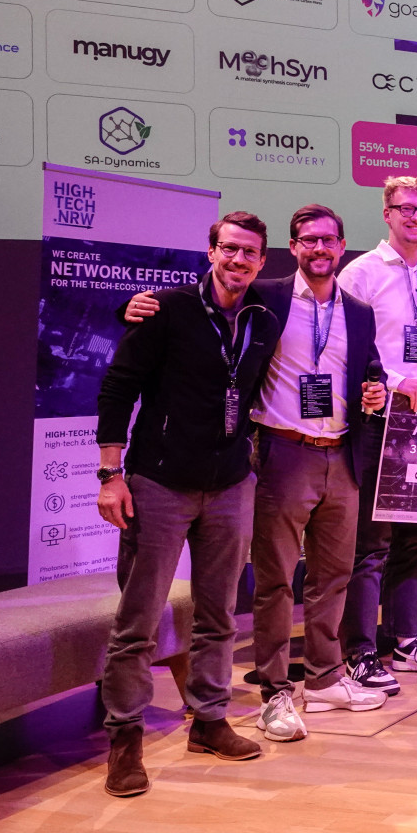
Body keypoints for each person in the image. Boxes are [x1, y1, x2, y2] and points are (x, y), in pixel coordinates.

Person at [94, 212, 278, 796]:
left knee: (219, 615)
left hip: (230, 484)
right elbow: (117, 387)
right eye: (229, 249)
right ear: (211, 251)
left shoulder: (264, 318)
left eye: (249, 252)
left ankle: (209, 720)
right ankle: (125, 736)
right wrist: (111, 475)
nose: (238, 260)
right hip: (159, 483)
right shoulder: (166, 309)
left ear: (262, 262)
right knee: (139, 620)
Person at [248, 205, 390, 743]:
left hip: (342, 454)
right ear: (293, 247)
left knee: (333, 576)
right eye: (308, 240)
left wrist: (376, 389)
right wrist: (132, 307)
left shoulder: (358, 310)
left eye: (329, 240)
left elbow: (369, 366)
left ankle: (325, 678)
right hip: (284, 453)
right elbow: (209, 311)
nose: (319, 249)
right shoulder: (266, 296)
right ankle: (273, 690)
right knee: (276, 580)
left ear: (342, 246)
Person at [335, 176, 417, 693]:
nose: (416, 217)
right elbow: (343, 345)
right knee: (371, 545)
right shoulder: (361, 272)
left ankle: (407, 640)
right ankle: (359, 651)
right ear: (386, 213)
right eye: (406, 208)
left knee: (413, 540)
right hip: (377, 420)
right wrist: (391, 381)